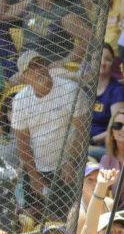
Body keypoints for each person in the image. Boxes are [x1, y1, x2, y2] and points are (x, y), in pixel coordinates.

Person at [11, 49, 88, 219]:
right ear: (24, 78)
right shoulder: (20, 101)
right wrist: (33, 174)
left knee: (64, 217)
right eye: (31, 68)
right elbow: (22, 142)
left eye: (40, 64)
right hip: (38, 166)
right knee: (29, 216)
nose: (38, 69)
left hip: (69, 165)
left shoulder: (70, 90)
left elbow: (82, 130)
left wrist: (71, 161)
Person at [91, 44, 124, 159]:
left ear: (112, 64)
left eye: (108, 60)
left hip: (106, 146)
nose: (102, 63)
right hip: (84, 143)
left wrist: (92, 140)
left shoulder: (117, 90)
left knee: (80, 155)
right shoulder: (86, 87)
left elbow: (119, 127)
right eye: (98, 58)